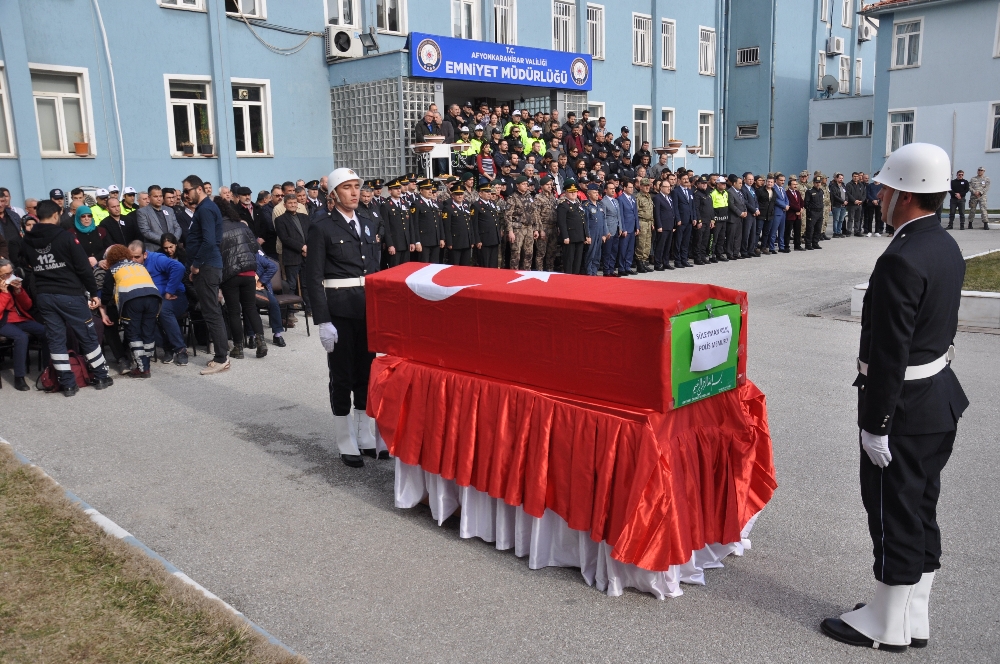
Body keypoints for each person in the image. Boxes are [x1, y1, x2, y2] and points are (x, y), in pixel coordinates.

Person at [821, 143, 969, 653]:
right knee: (921, 505)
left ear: (905, 196)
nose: (879, 196)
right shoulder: (945, 245)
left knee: (891, 509)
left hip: (904, 406)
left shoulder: (900, 259)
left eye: (886, 188)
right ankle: (914, 613)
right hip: (938, 401)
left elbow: (889, 352)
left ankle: (886, 622)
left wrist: (876, 422)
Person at [305, 168, 382, 468]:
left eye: (356, 186)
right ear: (333, 194)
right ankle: (345, 439)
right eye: (347, 188)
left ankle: (365, 435)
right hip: (339, 311)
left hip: (366, 309)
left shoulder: (367, 221)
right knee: (342, 376)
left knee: (366, 373)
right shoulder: (321, 226)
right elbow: (313, 278)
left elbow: (373, 269)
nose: (354, 192)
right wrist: (323, 320)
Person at [21, 200, 113, 396]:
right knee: (86, 334)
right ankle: (101, 376)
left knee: (56, 339)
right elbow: (82, 267)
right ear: (56, 215)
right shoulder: (65, 237)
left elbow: (25, 262)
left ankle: (67, 383)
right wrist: (93, 293)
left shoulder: (28, 239)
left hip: (44, 295)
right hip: (69, 293)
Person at [183, 175, 230, 375]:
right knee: (211, 311)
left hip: (207, 267)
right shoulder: (203, 209)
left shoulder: (206, 209)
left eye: (187, 190)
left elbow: (209, 241)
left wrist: (195, 265)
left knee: (212, 312)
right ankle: (221, 355)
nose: (185, 195)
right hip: (206, 267)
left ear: (199, 189)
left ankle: (222, 357)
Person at [98, 244, 161, 379]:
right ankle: (146, 365)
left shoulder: (113, 269)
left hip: (132, 301)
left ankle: (142, 369)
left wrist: (102, 306)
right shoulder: (139, 265)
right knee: (148, 332)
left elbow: (106, 294)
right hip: (154, 298)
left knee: (133, 333)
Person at [217, 199, 267, 360]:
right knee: (250, 308)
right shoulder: (242, 226)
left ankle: (238, 348)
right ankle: (261, 342)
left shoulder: (216, 229)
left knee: (234, 311)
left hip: (230, 274)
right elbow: (254, 247)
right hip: (248, 272)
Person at [129, 240, 187, 366]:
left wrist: (169, 291)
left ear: (145, 255)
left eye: (137, 257)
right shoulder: (130, 264)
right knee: (144, 314)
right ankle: (168, 348)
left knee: (163, 310)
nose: (133, 260)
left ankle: (181, 349)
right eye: (130, 257)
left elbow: (179, 267)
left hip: (175, 296)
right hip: (152, 300)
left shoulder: (156, 259)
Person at [0, 258, 47, 390]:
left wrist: (19, 292)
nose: (10, 276)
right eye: (5, 275)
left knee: (45, 331)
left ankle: (48, 369)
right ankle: (19, 377)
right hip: (3, 322)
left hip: (20, 319)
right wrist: (4, 294)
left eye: (11, 272)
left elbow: (27, 305)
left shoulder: (13, 282)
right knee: (21, 337)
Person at [274, 193, 312, 303]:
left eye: (295, 202)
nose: (293, 205)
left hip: (306, 255)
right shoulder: (280, 220)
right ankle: (290, 312)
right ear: (285, 205)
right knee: (291, 285)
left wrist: (308, 248)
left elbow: (310, 234)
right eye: (290, 203)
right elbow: (285, 238)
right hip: (292, 256)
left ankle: (308, 308)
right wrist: (302, 247)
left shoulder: (305, 217)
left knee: (306, 283)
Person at [382, 178, 418, 267]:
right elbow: (386, 227)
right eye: (395, 188)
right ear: (390, 191)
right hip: (395, 244)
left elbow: (410, 225)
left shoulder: (405, 203)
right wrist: (390, 245)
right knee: (394, 269)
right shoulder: (386, 205)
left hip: (406, 243)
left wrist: (412, 241)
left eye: (399, 188)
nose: (398, 190)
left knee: (405, 269)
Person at [442, 182, 478, 266]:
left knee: (465, 265)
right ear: (453, 196)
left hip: (466, 241)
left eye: (461, 194)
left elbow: (470, 224)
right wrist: (449, 243)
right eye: (457, 194)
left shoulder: (465, 206)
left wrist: (472, 240)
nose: (460, 196)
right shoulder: (448, 208)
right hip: (455, 242)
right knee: (455, 265)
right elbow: (447, 227)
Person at [137, 185, 183, 252]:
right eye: (156, 196)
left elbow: (177, 227)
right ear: (149, 197)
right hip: (154, 250)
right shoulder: (142, 212)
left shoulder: (169, 210)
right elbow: (146, 232)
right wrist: (165, 241)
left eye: (160, 196)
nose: (159, 199)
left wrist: (173, 241)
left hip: (172, 250)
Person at [555, 182, 588, 274]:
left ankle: (575, 278)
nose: (573, 193)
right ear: (565, 193)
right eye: (571, 192)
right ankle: (568, 279)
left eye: (575, 191)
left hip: (580, 236)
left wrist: (586, 235)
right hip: (570, 237)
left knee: (577, 260)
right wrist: (565, 236)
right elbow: (562, 222)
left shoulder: (578, 204)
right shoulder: (563, 205)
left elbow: (583, 221)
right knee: (569, 260)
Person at [505, 176, 536, 270]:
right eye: (523, 184)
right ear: (517, 185)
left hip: (529, 228)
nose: (525, 186)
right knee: (516, 253)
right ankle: (514, 274)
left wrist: (536, 229)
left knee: (529, 253)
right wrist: (510, 231)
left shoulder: (530, 196)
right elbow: (507, 215)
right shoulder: (512, 198)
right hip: (518, 228)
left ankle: (526, 273)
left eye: (526, 184)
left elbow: (534, 213)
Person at [412, 179, 445, 264]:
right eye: (427, 189)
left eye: (431, 189)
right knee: (424, 265)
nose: (430, 191)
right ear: (421, 190)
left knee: (434, 265)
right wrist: (417, 241)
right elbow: (414, 224)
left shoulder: (434, 203)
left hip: (435, 240)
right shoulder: (417, 204)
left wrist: (441, 238)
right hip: (424, 241)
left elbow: (439, 222)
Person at [473, 181, 502, 268]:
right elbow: (474, 224)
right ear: (480, 193)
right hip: (484, 239)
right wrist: (477, 240)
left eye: (490, 192)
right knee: (485, 263)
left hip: (494, 238)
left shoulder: (492, 204)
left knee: (493, 263)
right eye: (486, 192)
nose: (489, 194)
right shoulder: (476, 205)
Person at [583, 184, 606, 276]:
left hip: (600, 233)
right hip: (592, 233)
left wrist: (604, 234)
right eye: (594, 192)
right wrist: (587, 235)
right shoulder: (586, 205)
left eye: (597, 192)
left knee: (597, 254)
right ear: (589, 194)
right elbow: (586, 222)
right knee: (590, 254)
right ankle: (589, 272)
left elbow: (603, 220)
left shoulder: (600, 205)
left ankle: (594, 271)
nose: (597, 194)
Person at [652, 179, 676, 270]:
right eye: (666, 187)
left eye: (669, 187)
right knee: (660, 245)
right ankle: (657, 263)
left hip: (670, 225)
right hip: (662, 226)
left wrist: (673, 225)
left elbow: (672, 211)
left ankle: (666, 262)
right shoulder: (657, 198)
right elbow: (657, 213)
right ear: (661, 188)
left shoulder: (669, 197)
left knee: (668, 246)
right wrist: (659, 226)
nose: (669, 189)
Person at [600, 181, 622, 276]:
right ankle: (606, 270)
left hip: (616, 229)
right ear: (605, 190)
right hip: (609, 229)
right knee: (607, 251)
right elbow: (603, 217)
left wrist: (620, 227)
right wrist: (606, 231)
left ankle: (612, 269)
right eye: (610, 188)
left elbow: (619, 216)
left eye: (614, 188)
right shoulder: (603, 202)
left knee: (614, 251)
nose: (613, 190)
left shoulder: (616, 201)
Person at [710, 176, 730, 263]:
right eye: (722, 184)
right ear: (717, 184)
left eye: (725, 183)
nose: (724, 185)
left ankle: (719, 253)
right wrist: (712, 219)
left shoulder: (726, 193)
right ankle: (712, 254)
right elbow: (711, 208)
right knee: (715, 238)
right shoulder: (713, 193)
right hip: (717, 219)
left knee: (722, 238)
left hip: (724, 218)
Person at [803, 177, 825, 250]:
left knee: (818, 229)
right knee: (810, 229)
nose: (818, 184)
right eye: (816, 182)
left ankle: (815, 243)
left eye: (819, 182)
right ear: (813, 183)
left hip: (820, 212)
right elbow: (806, 203)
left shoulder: (821, 191)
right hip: (812, 212)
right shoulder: (809, 191)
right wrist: (810, 211)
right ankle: (808, 244)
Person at [846, 172, 867, 237]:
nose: (856, 177)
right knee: (850, 218)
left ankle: (857, 231)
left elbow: (864, 194)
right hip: (852, 204)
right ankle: (849, 231)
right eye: (854, 176)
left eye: (857, 176)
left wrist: (861, 201)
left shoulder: (861, 185)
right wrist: (854, 200)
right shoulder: (849, 185)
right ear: (852, 177)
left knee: (858, 218)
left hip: (859, 204)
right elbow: (848, 194)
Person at [786, 178, 804, 251]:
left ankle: (797, 245)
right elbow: (790, 203)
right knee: (787, 231)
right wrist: (798, 209)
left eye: (796, 184)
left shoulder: (797, 192)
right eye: (794, 184)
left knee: (797, 231)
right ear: (789, 185)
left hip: (798, 215)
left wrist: (801, 208)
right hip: (790, 215)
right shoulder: (787, 193)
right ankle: (786, 246)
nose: (795, 186)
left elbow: (802, 201)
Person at [830, 173, 847, 237]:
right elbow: (835, 196)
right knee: (836, 219)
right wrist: (843, 201)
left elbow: (846, 194)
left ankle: (839, 232)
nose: (841, 179)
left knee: (841, 219)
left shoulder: (843, 186)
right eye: (840, 178)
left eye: (842, 178)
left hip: (843, 205)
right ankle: (835, 232)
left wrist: (846, 201)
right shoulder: (833, 186)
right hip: (837, 205)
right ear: (836, 178)